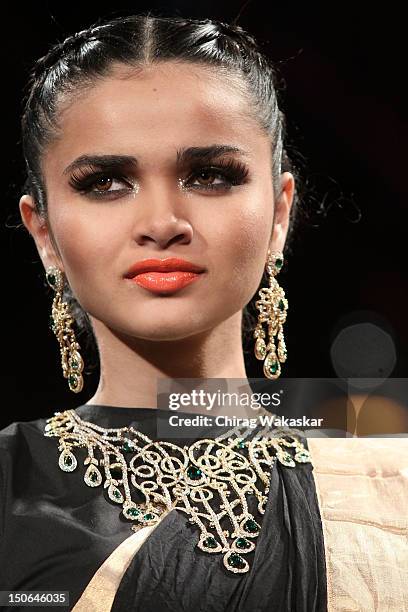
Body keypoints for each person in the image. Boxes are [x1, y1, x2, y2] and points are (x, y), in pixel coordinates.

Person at [0, 13, 406, 612]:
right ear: (45, 235)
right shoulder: (12, 487)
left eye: (211, 175)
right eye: (106, 182)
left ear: (278, 214)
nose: (163, 223)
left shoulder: (388, 476)